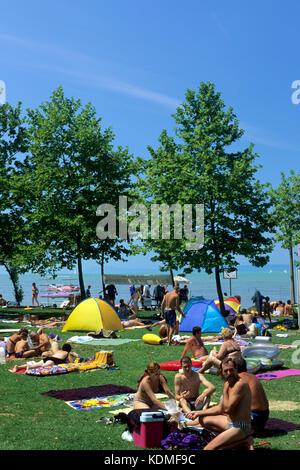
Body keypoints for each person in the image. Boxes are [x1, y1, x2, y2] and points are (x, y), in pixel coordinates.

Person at [186, 357, 253, 450]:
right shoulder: (227, 384)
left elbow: (227, 409)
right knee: (202, 419)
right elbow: (220, 407)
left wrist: (225, 390)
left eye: (231, 370)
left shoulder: (239, 385)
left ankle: (243, 441)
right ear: (221, 371)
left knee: (208, 449)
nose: (229, 373)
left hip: (240, 427)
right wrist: (197, 413)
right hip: (230, 422)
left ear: (236, 369)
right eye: (226, 371)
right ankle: (239, 441)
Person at [236, 358, 269, 436]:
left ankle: (249, 429)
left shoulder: (238, 378)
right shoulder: (252, 376)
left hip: (253, 416)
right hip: (264, 415)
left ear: (235, 368)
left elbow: (227, 406)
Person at [10, 343, 79, 373]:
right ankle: (29, 368)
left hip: (49, 358)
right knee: (42, 367)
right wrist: (77, 357)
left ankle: (18, 367)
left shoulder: (58, 351)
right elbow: (71, 362)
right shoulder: (67, 353)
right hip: (54, 360)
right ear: (69, 350)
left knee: (37, 364)